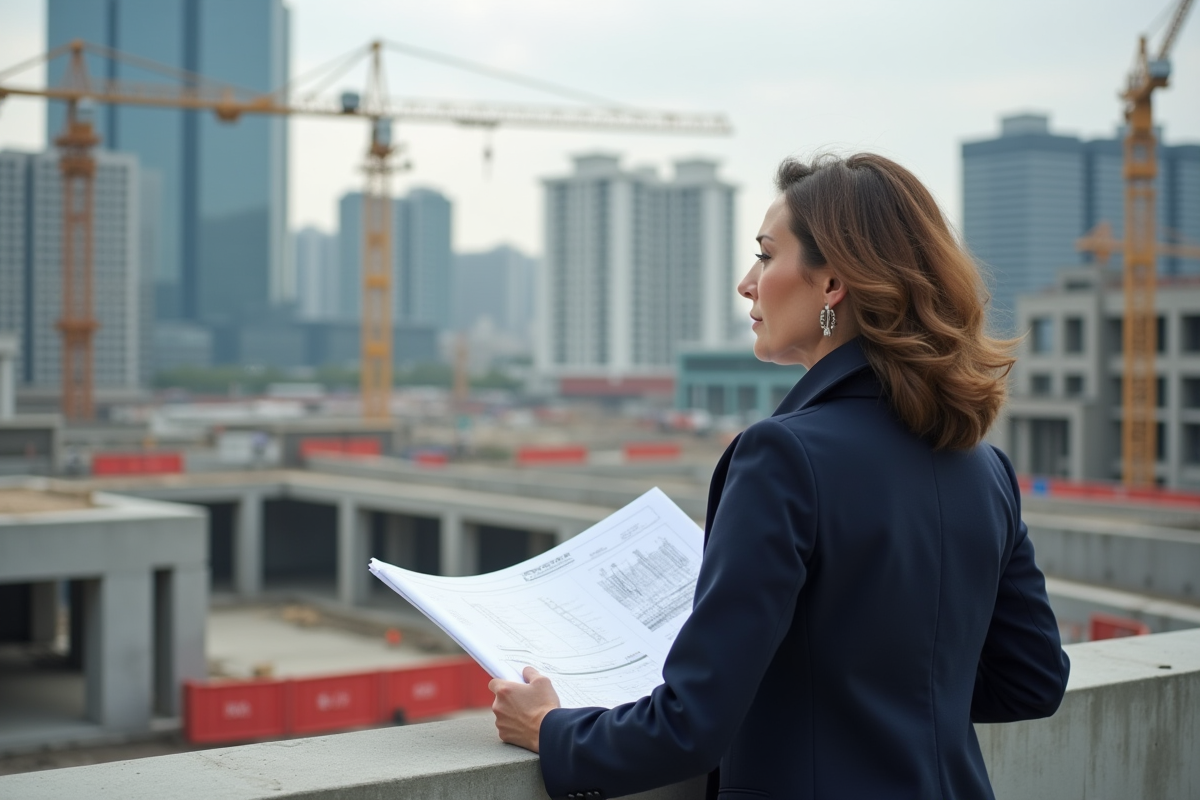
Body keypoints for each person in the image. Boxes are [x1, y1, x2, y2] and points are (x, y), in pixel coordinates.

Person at [490, 153, 1071, 800]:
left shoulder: (783, 457)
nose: (747, 283)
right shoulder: (984, 467)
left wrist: (551, 729)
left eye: (767, 256)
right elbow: (1031, 682)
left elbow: (691, 727)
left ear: (831, 286)